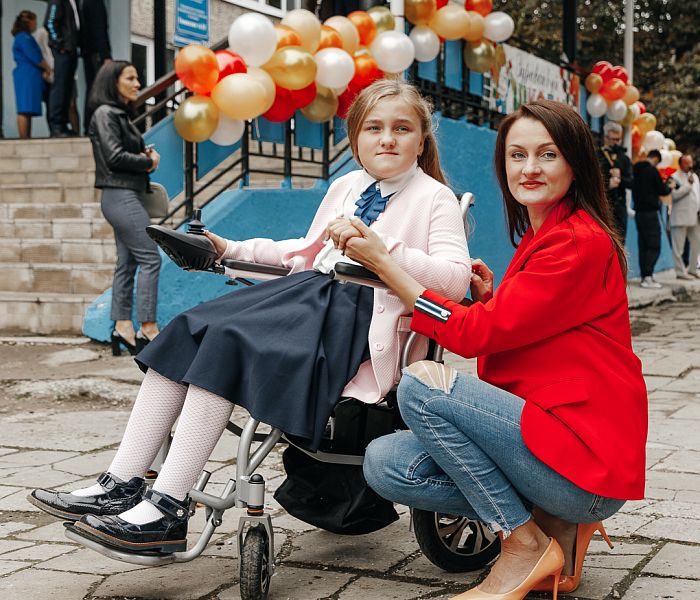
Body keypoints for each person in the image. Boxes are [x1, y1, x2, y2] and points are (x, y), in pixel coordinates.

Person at [28, 79, 471, 555]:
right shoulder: (347, 185)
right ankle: (121, 481)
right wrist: (227, 249)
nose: (387, 139)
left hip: (357, 319)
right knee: (189, 329)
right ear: (355, 138)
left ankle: (168, 507)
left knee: (227, 342)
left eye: (402, 129)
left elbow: (454, 281)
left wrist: (384, 251)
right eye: (374, 128)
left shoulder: (434, 197)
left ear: (420, 141)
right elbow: (302, 252)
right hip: (309, 295)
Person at [348, 100, 646, 600]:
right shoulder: (547, 233)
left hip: (582, 463)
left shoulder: (577, 241)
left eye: (547, 155)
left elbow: (472, 336)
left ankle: (524, 542)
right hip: (547, 442)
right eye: (517, 155)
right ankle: (552, 526)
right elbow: (528, 326)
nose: (529, 169)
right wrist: (493, 301)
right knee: (386, 461)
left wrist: (387, 266)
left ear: (575, 162)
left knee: (423, 386)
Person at [86, 61, 162, 354]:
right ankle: (148, 328)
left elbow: (119, 153)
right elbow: (114, 157)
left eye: (137, 78)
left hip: (125, 194)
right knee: (151, 258)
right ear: (112, 82)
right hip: (120, 195)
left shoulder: (117, 115)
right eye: (130, 78)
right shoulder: (106, 114)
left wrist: (143, 155)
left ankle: (122, 326)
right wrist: (148, 162)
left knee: (127, 262)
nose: (137, 84)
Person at [632, 150, 672, 289]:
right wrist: (669, 187)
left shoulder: (636, 170)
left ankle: (645, 276)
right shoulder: (652, 171)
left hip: (639, 213)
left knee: (643, 245)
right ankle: (648, 276)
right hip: (650, 212)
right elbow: (662, 190)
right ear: (656, 159)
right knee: (654, 244)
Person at [11, 11, 51, 139]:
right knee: (24, 109)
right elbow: (34, 56)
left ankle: (27, 137)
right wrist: (47, 68)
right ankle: (24, 138)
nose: (36, 25)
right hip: (26, 76)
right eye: (34, 21)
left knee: (28, 109)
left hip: (31, 76)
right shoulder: (23, 38)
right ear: (29, 22)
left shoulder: (25, 37)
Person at [44, 0, 81, 136]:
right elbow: (49, 22)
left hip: (72, 50)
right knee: (60, 87)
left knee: (67, 88)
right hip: (63, 50)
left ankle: (63, 125)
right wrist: (59, 44)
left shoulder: (74, 2)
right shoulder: (58, 0)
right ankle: (56, 126)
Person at [596, 121, 633, 241]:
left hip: (620, 205)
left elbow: (632, 183)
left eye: (618, 139)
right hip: (601, 205)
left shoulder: (624, 158)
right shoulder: (597, 156)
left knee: (620, 241)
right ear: (605, 137)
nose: (616, 143)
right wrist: (608, 185)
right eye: (613, 139)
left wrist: (620, 179)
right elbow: (590, 182)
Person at [81, 0, 112, 134]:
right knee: (98, 90)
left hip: (90, 52)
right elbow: (99, 29)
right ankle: (94, 126)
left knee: (93, 89)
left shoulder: (86, 3)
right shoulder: (95, 3)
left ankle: (90, 126)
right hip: (97, 54)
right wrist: (105, 56)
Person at [669, 155, 700, 280]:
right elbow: (675, 195)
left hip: (694, 216)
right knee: (678, 247)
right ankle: (680, 272)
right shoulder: (674, 177)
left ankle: (692, 269)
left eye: (691, 162)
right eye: (687, 163)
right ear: (681, 164)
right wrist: (688, 185)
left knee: (697, 243)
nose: (690, 165)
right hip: (680, 217)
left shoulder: (695, 176)